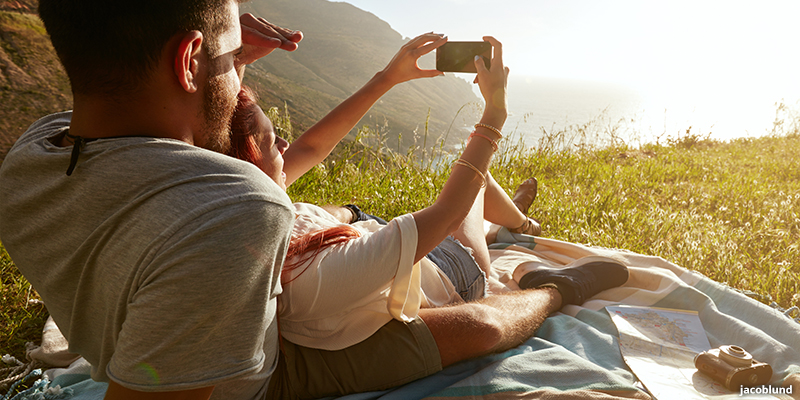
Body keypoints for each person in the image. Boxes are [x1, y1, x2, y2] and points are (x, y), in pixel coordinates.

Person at [225, 35, 630, 399]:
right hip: (450, 269)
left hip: (373, 241)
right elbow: (446, 211)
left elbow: (311, 148)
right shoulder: (314, 277)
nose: (284, 142)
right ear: (246, 164)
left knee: (472, 187)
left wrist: (388, 77)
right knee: (474, 180)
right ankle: (521, 225)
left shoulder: (246, 205)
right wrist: (495, 113)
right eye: (269, 139)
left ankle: (512, 221)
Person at [0, 1, 306, 399]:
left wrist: (220, 57)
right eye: (234, 57)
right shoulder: (240, 209)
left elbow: (183, 140)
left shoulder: (30, 155)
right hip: (262, 379)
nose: (238, 69)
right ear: (188, 60)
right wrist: (216, 61)